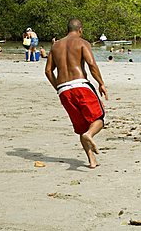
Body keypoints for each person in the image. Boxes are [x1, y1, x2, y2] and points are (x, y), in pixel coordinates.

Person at [45, 18, 108, 169]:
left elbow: (48, 71)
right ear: (80, 30)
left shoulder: (56, 45)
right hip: (80, 85)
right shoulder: (82, 43)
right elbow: (92, 64)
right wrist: (101, 83)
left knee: (82, 126)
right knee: (99, 119)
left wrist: (58, 88)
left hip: (63, 89)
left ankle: (92, 160)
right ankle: (90, 135)